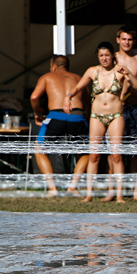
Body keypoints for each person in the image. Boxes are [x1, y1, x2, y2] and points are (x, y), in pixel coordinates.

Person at [64, 42, 137, 203]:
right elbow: (78, 87)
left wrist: (128, 74)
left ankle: (119, 195)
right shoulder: (93, 71)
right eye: (101, 55)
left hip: (115, 115)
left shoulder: (119, 71)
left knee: (116, 156)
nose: (104, 58)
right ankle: (89, 193)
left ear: (113, 55)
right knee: (94, 156)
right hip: (96, 116)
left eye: (107, 55)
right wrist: (68, 97)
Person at [30, 55, 89, 197]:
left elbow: (34, 97)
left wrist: (37, 113)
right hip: (77, 115)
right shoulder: (78, 78)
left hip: (56, 115)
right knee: (86, 152)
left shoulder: (47, 76)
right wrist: (84, 117)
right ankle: (73, 187)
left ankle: (52, 189)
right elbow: (88, 100)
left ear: (53, 66)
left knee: (39, 149)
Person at [111, 26, 137, 202]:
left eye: (130, 39)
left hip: (135, 108)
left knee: (136, 151)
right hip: (114, 109)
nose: (127, 42)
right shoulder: (110, 58)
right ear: (118, 40)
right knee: (114, 151)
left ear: (134, 41)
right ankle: (113, 190)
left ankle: (136, 191)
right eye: (124, 39)